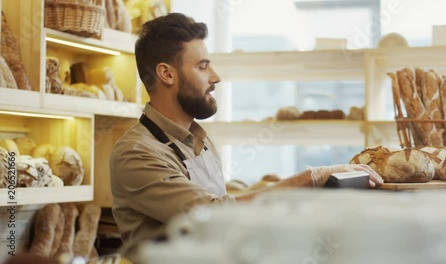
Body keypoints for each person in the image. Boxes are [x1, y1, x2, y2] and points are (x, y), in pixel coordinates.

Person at [109, 12, 383, 256]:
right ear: (166, 74)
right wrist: (310, 178)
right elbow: (212, 215)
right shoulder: (138, 152)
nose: (215, 77)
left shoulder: (199, 142)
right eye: (202, 66)